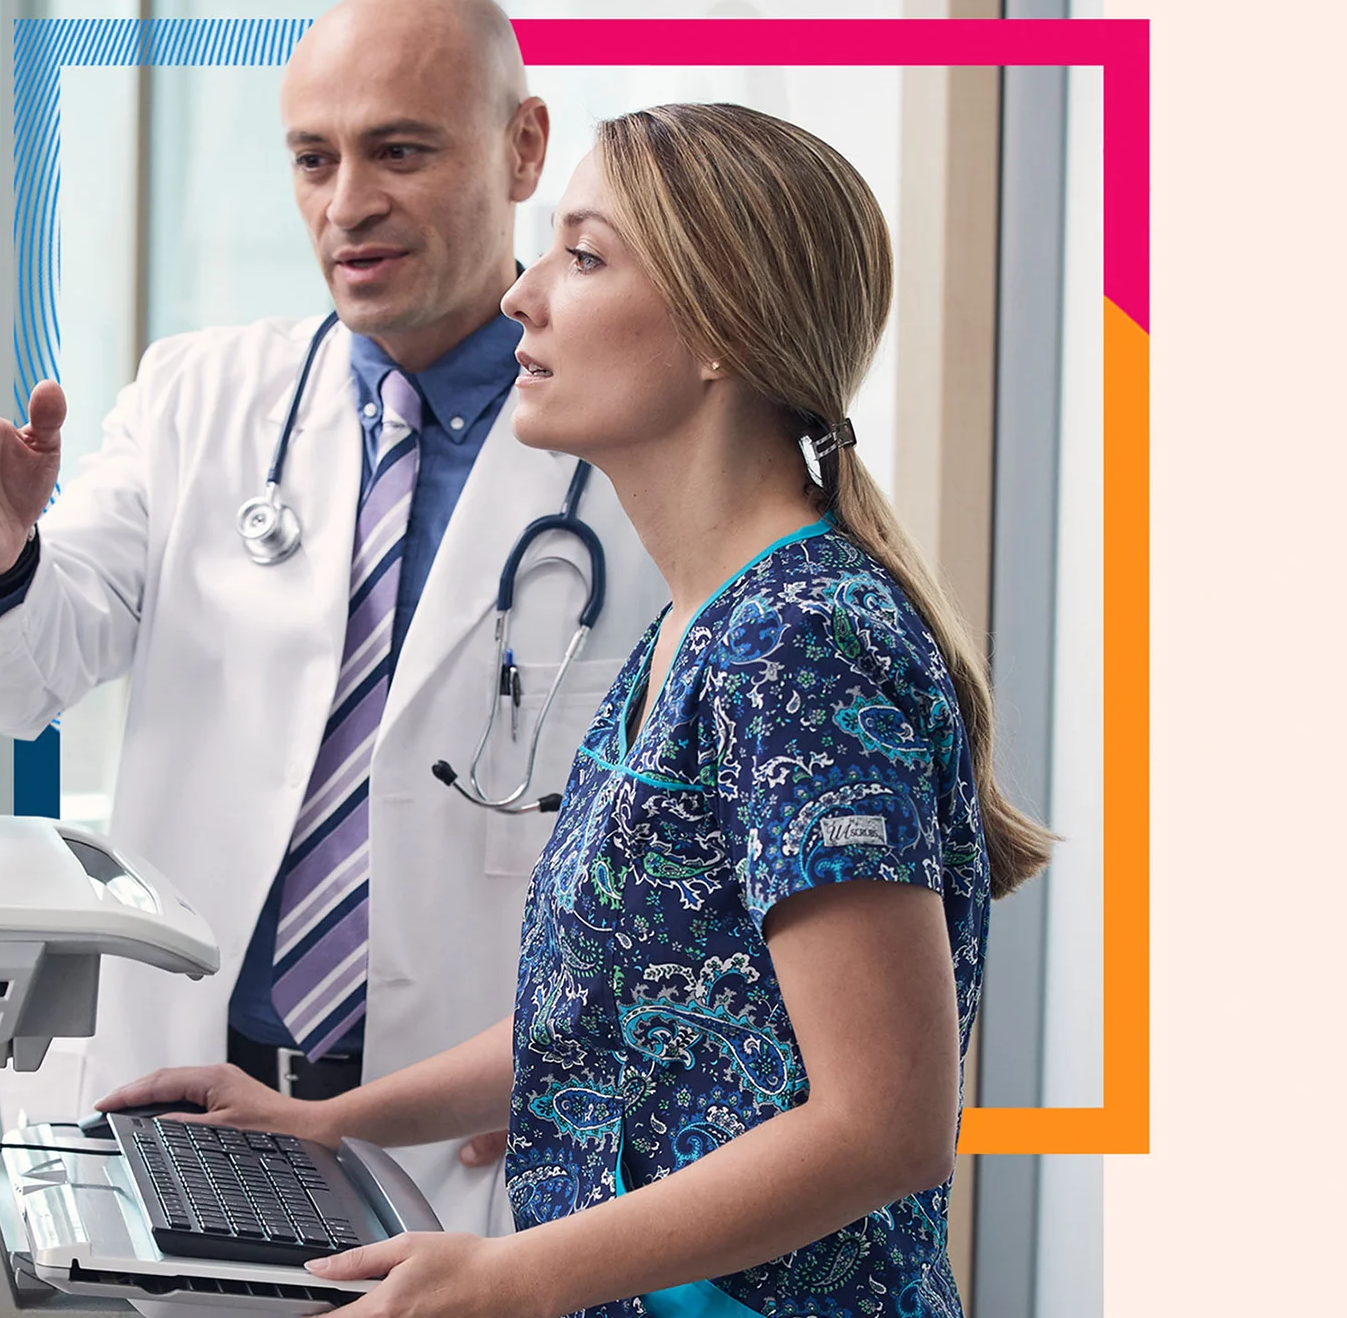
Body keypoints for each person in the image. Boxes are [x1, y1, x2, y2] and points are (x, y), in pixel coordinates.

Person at [96, 102, 1057, 1318]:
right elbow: (607, 1014)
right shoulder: (689, 630)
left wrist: (511, 1276)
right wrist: (328, 1122)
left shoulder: (799, 643)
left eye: (584, 257)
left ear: (721, 330)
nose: (523, 297)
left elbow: (885, 1127)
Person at [0, 0, 664, 1237]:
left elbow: (705, 848)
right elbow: (24, 670)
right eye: (314, 158)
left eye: (399, 151)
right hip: (183, 1108)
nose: (347, 204)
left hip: (478, 1160)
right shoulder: (200, 396)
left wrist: (622, 1065)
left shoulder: (633, 449)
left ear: (525, 146)